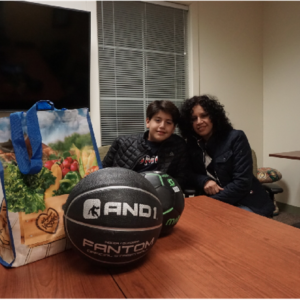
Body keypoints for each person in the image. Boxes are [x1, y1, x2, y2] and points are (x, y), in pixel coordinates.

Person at [179, 95, 274, 217]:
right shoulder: (192, 144)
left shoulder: (235, 138)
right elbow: (188, 174)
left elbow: (242, 183)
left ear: (213, 116)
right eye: (193, 119)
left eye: (204, 116)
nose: (199, 122)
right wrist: (205, 181)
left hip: (246, 202)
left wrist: (209, 203)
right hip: (215, 202)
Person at [102, 100, 189, 189]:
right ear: (148, 122)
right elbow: (102, 173)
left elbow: (182, 178)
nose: (162, 126)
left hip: (160, 196)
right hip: (125, 194)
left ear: (173, 128)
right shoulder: (122, 143)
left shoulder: (178, 146)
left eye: (168, 122)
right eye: (158, 120)